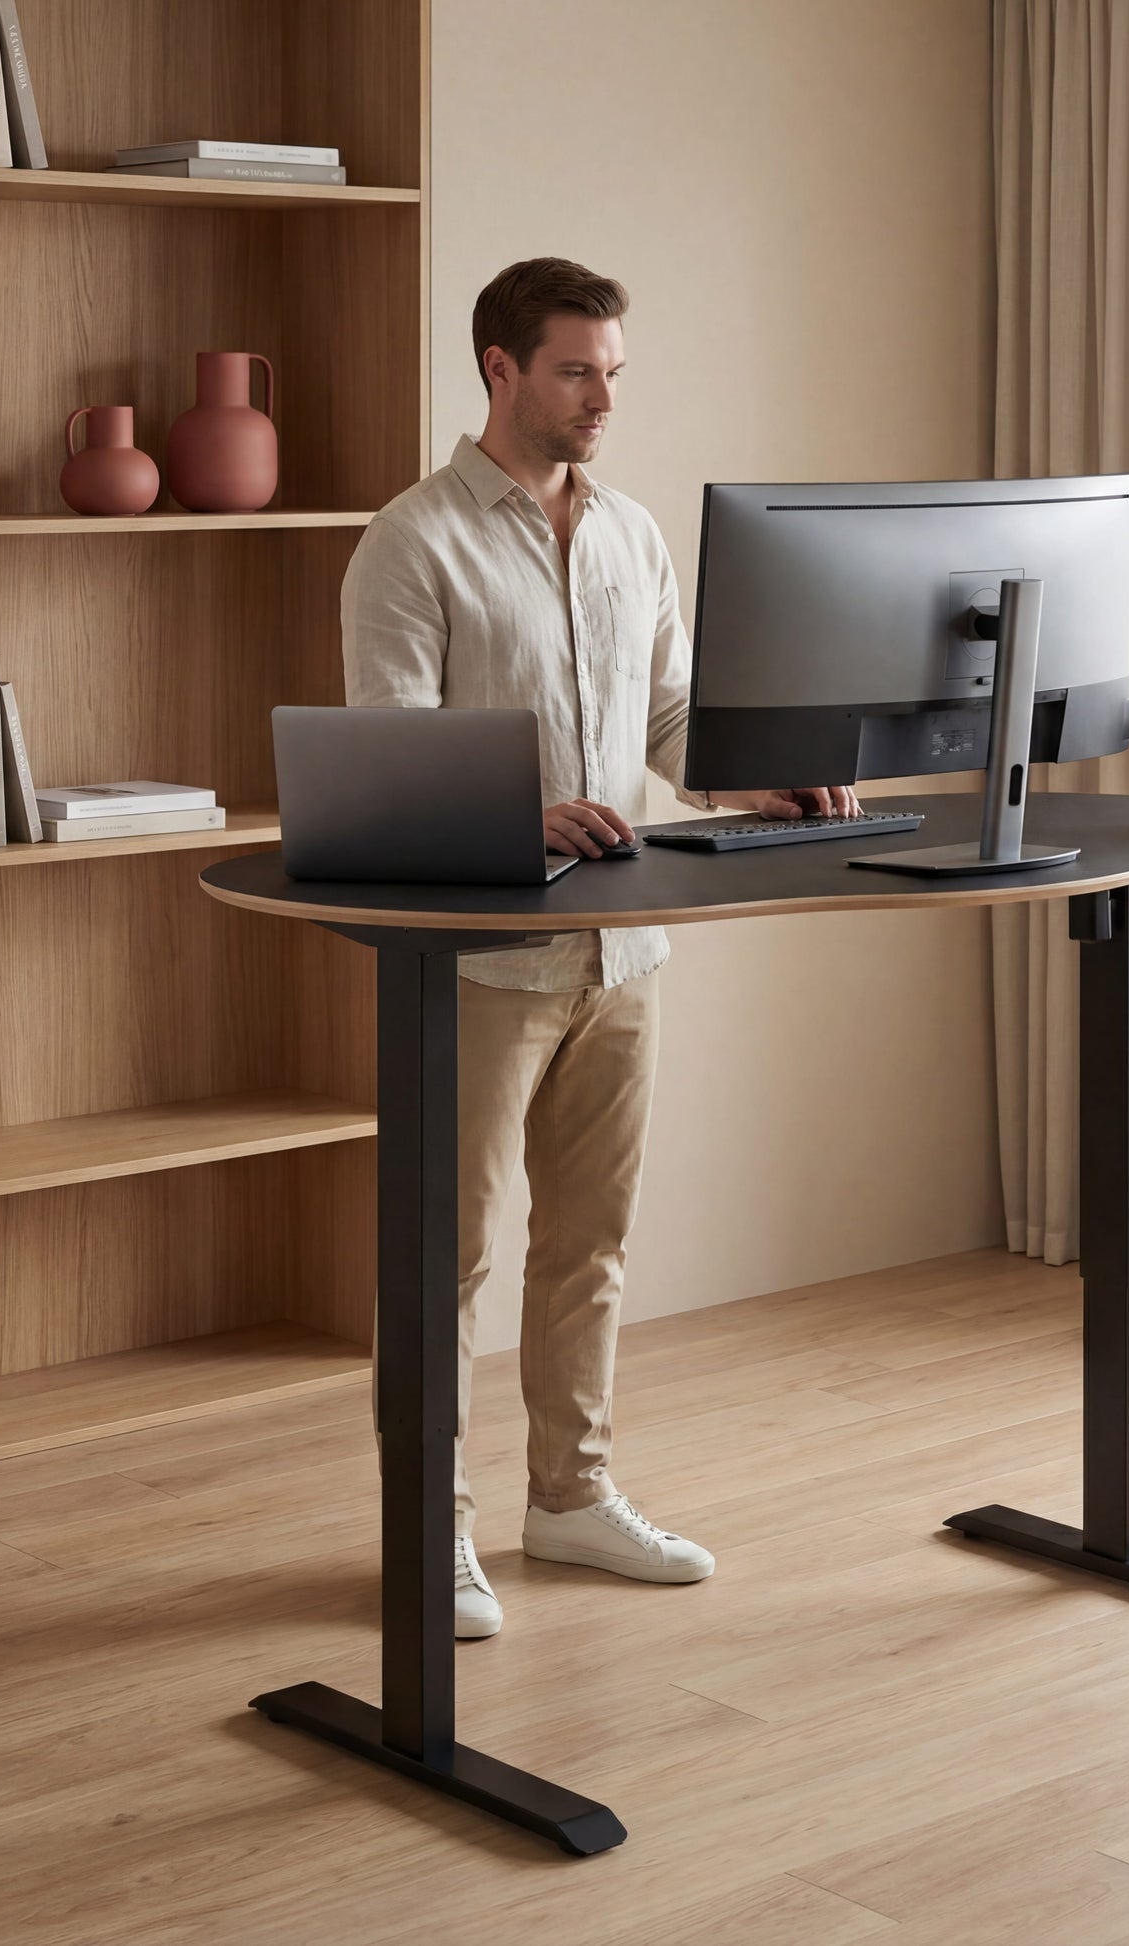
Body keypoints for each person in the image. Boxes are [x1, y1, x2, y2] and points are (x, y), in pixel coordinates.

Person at [341, 257, 858, 1638]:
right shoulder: (411, 542)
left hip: (620, 951)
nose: (601, 398)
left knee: (591, 1245)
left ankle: (568, 1498)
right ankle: (425, 1529)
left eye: (613, 372)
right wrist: (522, 808)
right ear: (500, 369)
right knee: (442, 1258)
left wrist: (759, 777)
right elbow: (388, 759)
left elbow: (668, 717)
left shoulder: (631, 533)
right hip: (478, 966)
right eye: (576, 370)